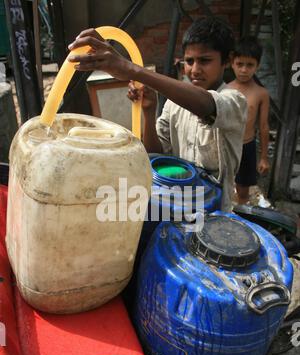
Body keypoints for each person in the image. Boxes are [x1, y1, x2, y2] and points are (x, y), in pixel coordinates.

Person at [68, 18, 248, 211]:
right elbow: (156, 154)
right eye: (189, 61)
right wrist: (149, 111)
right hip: (178, 206)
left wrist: (132, 69)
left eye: (205, 61)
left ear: (227, 61)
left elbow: (206, 104)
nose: (195, 70)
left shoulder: (235, 101)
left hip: (215, 212)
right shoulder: (173, 104)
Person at [227, 36, 270, 205]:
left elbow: (264, 126)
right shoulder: (225, 89)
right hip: (227, 145)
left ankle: (241, 218)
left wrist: (264, 157)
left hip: (247, 146)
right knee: (220, 185)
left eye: (249, 65)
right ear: (232, 63)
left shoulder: (261, 93)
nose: (244, 70)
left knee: (243, 191)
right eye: (240, 64)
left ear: (257, 66)